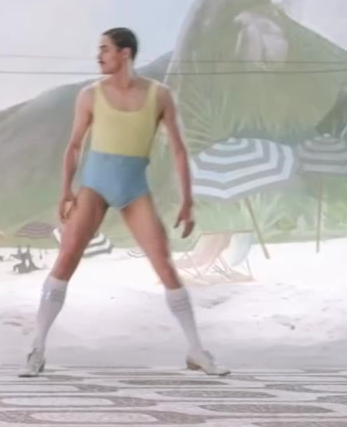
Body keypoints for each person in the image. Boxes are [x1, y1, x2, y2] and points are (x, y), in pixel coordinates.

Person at [19, 28, 228, 378]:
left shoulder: (159, 95)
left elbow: (179, 149)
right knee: (66, 259)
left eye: (105, 49)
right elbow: (74, 146)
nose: (99, 55)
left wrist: (188, 201)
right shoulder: (90, 95)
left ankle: (197, 350)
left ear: (125, 53)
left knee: (165, 266)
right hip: (94, 187)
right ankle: (37, 348)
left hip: (133, 189)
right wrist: (66, 192)